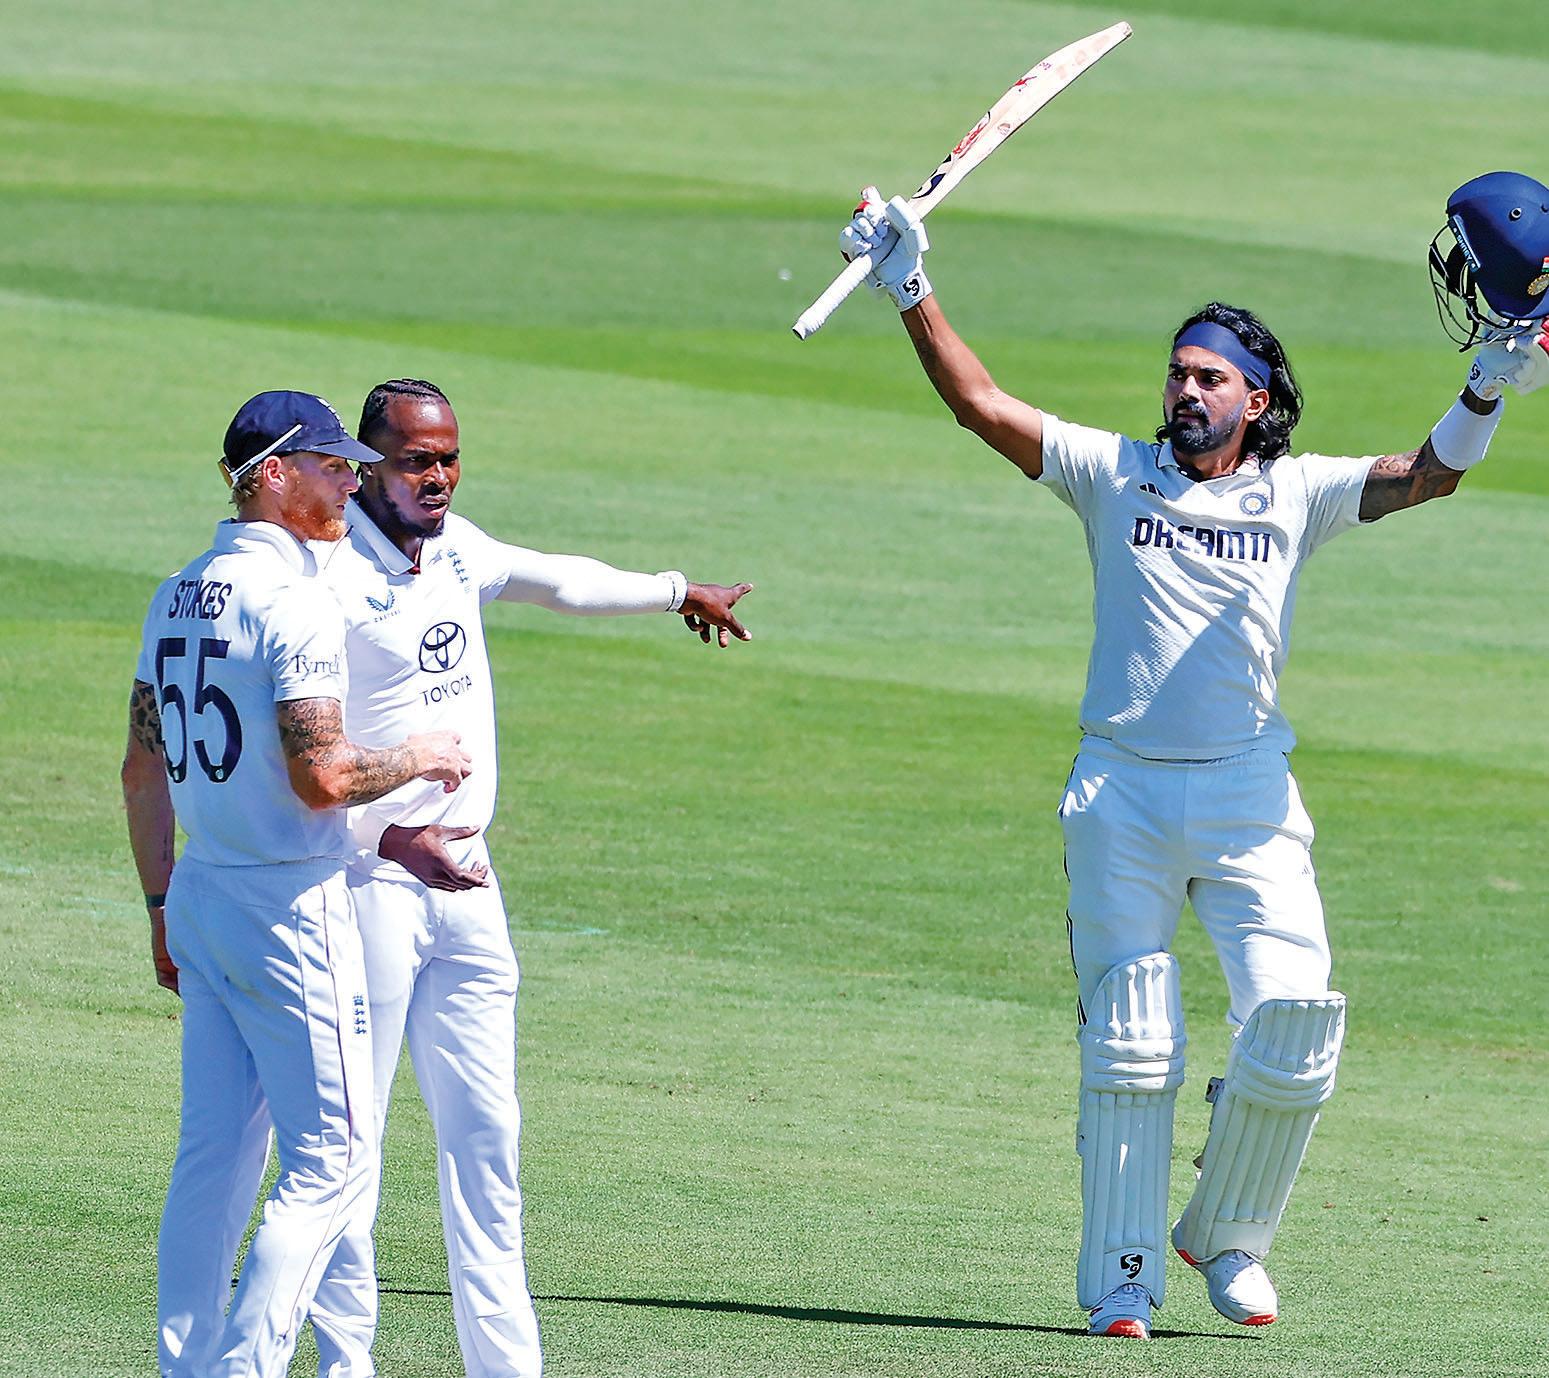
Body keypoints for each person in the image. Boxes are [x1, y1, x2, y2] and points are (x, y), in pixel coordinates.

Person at [833, 178, 1549, 1339]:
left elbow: (1431, 475)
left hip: (1248, 796)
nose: (1183, 389)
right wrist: (908, 283)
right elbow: (978, 404)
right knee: (1129, 1042)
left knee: (1297, 1021)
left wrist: (1487, 388)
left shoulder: (1296, 492)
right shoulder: (1114, 472)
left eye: (1207, 377)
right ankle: (1124, 1279)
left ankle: (1224, 1235)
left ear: (1255, 399)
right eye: (1175, 371)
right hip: (1118, 792)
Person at [304, 378, 753, 1378]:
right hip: (369, 886)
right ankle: (345, 1365)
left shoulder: (456, 549)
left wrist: (678, 589)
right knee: (350, 1153)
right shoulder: (327, 584)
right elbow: (306, 774)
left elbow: (561, 579)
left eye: (449, 456)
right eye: (417, 458)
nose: (438, 476)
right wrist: (389, 839)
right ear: (366, 464)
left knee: (489, 1145)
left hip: (468, 882)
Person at [120, 390, 473, 1378]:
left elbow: (140, 773)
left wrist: (158, 906)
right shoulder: (295, 601)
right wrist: (418, 755)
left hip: (202, 900)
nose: (350, 480)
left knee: (212, 1164)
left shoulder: (175, 592)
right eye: (329, 465)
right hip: (288, 908)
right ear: (270, 475)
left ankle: (188, 1366)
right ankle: (244, 1368)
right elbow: (322, 776)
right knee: (333, 1165)